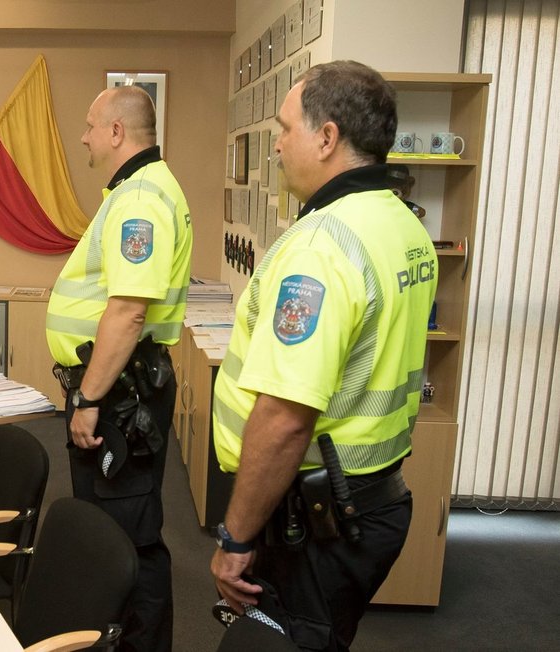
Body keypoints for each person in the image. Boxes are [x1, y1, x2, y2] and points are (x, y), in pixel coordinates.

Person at [210, 60, 437, 651]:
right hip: (373, 500)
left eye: (286, 129)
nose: (278, 146)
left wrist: (236, 539)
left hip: (315, 519)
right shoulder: (405, 225)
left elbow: (286, 418)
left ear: (328, 137)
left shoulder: (321, 245)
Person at [46, 85, 193, 652]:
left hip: (118, 394)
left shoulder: (140, 199)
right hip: (117, 387)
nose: (82, 137)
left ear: (116, 132)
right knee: (114, 526)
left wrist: (87, 399)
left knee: (127, 534)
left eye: (89, 125)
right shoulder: (135, 190)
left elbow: (130, 311)